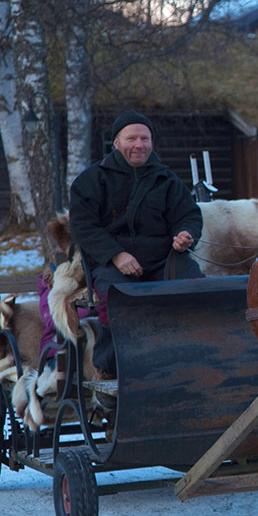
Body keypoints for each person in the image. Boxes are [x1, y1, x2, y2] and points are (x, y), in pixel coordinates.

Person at [69, 110, 203, 377]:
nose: (139, 145)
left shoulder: (166, 179)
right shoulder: (92, 180)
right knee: (122, 301)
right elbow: (83, 227)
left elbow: (188, 215)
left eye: (145, 138)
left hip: (162, 260)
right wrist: (117, 255)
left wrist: (186, 234)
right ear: (116, 143)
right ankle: (111, 368)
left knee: (197, 289)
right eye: (132, 138)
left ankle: (193, 357)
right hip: (111, 263)